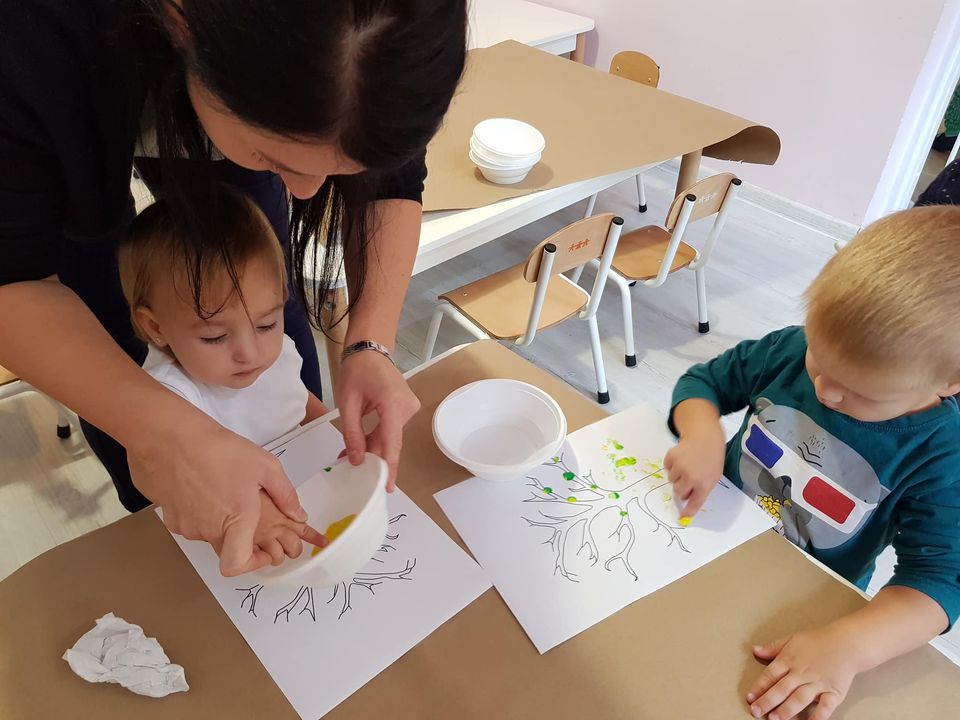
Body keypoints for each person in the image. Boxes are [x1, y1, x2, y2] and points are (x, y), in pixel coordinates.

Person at [0, 1, 467, 575]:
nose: (305, 192)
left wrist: (369, 344)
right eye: (273, 155)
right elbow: (14, 273)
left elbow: (394, 175)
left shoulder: (387, 37)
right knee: (109, 312)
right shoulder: (34, 39)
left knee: (250, 282)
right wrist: (163, 437)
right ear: (181, 22)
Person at [665, 206, 960, 720]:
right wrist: (702, 432)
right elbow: (704, 383)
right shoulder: (790, 348)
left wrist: (849, 645)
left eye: (861, 392)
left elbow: (939, 580)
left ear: (949, 384)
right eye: (818, 359)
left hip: (803, 602)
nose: (824, 391)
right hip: (704, 544)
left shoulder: (941, 453)